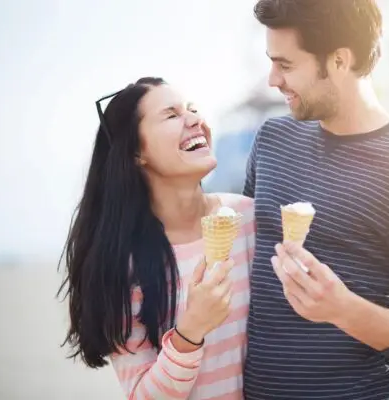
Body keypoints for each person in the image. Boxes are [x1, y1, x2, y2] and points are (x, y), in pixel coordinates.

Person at [242, 1, 389, 399]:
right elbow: (243, 263)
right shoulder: (271, 142)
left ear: (339, 60)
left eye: (286, 65)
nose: (272, 79)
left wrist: (343, 308)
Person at [57, 77, 255, 400]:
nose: (195, 119)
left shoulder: (250, 220)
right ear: (137, 152)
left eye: (192, 109)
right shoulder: (123, 265)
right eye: (172, 115)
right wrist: (191, 331)